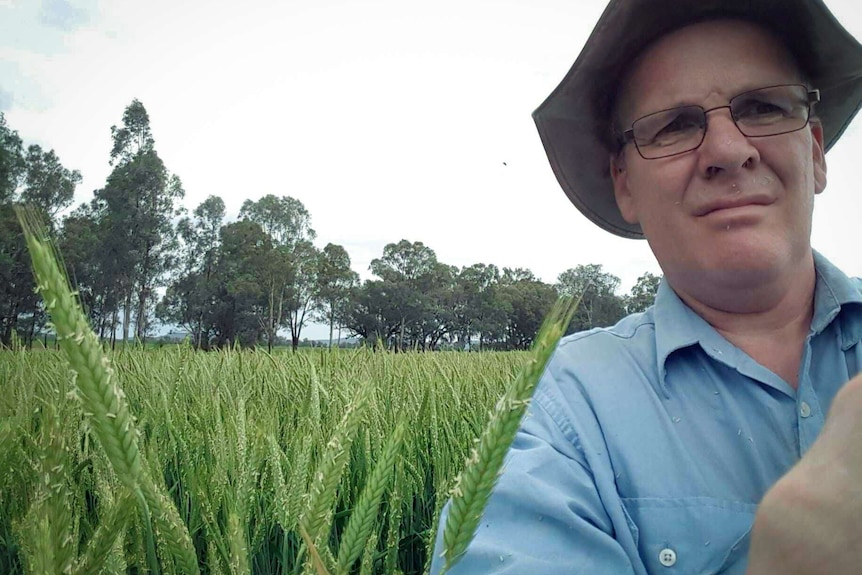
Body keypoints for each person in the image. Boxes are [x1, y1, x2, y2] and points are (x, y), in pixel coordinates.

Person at [429, 0, 862, 573]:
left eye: (762, 107)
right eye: (675, 125)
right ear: (624, 183)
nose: (730, 152)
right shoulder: (561, 414)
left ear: (813, 149)